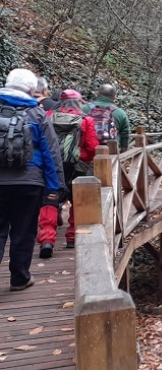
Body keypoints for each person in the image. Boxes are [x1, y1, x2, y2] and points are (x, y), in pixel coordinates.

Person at [0, 68, 63, 291]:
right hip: (29, 181)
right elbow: (51, 153)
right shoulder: (37, 115)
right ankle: (19, 278)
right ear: (31, 89)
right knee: (23, 231)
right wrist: (55, 188)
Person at [37, 89, 99, 258]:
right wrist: (83, 159)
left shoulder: (47, 115)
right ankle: (72, 237)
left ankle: (47, 239)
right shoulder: (86, 120)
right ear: (79, 102)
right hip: (78, 168)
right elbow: (93, 147)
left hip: (52, 168)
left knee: (49, 202)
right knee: (77, 203)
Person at [82, 84, 131, 152]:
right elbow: (125, 135)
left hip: (86, 154)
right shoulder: (120, 113)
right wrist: (123, 152)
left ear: (97, 94)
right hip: (110, 155)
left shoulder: (84, 109)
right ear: (114, 97)